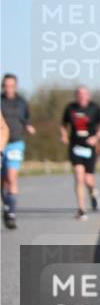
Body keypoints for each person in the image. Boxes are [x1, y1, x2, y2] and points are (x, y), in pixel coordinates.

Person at [60, 86, 100, 221]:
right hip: (75, 146)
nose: (82, 96)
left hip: (89, 147)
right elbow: (63, 124)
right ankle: (81, 209)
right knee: (79, 176)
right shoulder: (70, 108)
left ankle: (93, 193)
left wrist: (97, 137)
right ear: (76, 96)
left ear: (88, 96)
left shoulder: (95, 108)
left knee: (88, 179)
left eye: (84, 94)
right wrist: (63, 135)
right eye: (79, 94)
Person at [2, 74, 36, 229]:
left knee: (11, 176)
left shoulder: (22, 102)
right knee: (2, 180)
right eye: (6, 85)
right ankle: (6, 205)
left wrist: (29, 127)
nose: (8, 88)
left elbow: (26, 119)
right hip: (0, 144)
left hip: (15, 143)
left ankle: (12, 213)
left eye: (11, 85)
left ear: (15, 87)